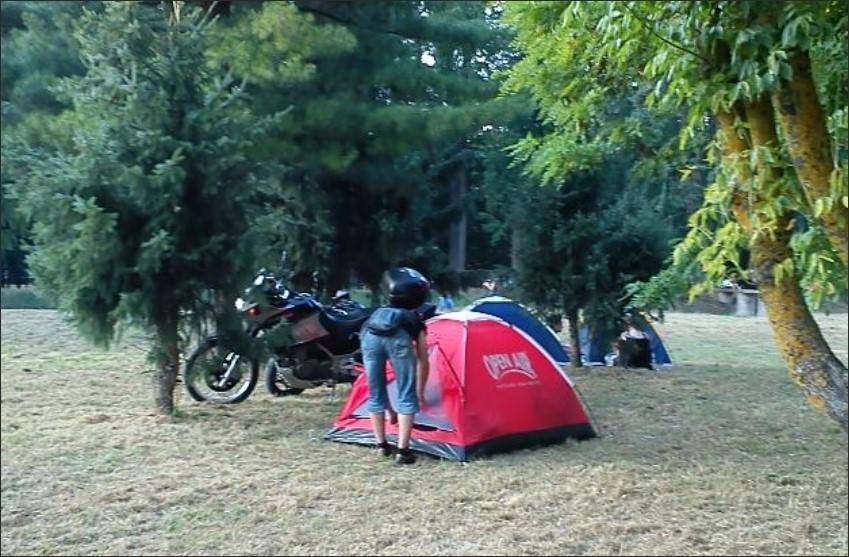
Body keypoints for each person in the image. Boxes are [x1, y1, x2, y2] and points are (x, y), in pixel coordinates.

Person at [360, 267, 430, 465]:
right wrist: (420, 392)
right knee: (406, 393)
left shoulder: (376, 313)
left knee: (375, 393)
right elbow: (423, 360)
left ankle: (381, 446)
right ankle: (403, 451)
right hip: (399, 340)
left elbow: (364, 334)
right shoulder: (414, 318)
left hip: (369, 338)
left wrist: (390, 410)